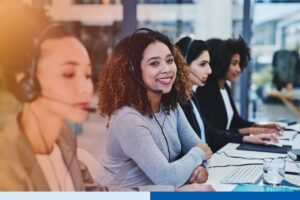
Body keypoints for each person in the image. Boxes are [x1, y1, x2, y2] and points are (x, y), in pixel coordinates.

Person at [98, 28, 214, 191]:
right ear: (133, 71)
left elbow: (201, 147)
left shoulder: (171, 107)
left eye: (169, 60)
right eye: (154, 63)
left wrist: (201, 167)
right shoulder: (127, 118)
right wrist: (198, 155)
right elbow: (167, 177)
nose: (167, 69)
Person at [175, 37, 278, 152]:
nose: (209, 70)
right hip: (208, 157)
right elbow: (205, 137)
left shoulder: (192, 96)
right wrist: (250, 134)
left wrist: (257, 130)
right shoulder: (181, 100)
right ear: (183, 64)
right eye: (203, 64)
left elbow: (209, 131)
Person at [195, 37, 282, 135]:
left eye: (239, 64)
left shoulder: (225, 87)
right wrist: (250, 131)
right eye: (234, 64)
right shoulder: (206, 90)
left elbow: (235, 120)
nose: (239, 69)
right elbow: (212, 133)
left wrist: (261, 126)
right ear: (222, 62)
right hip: (217, 149)